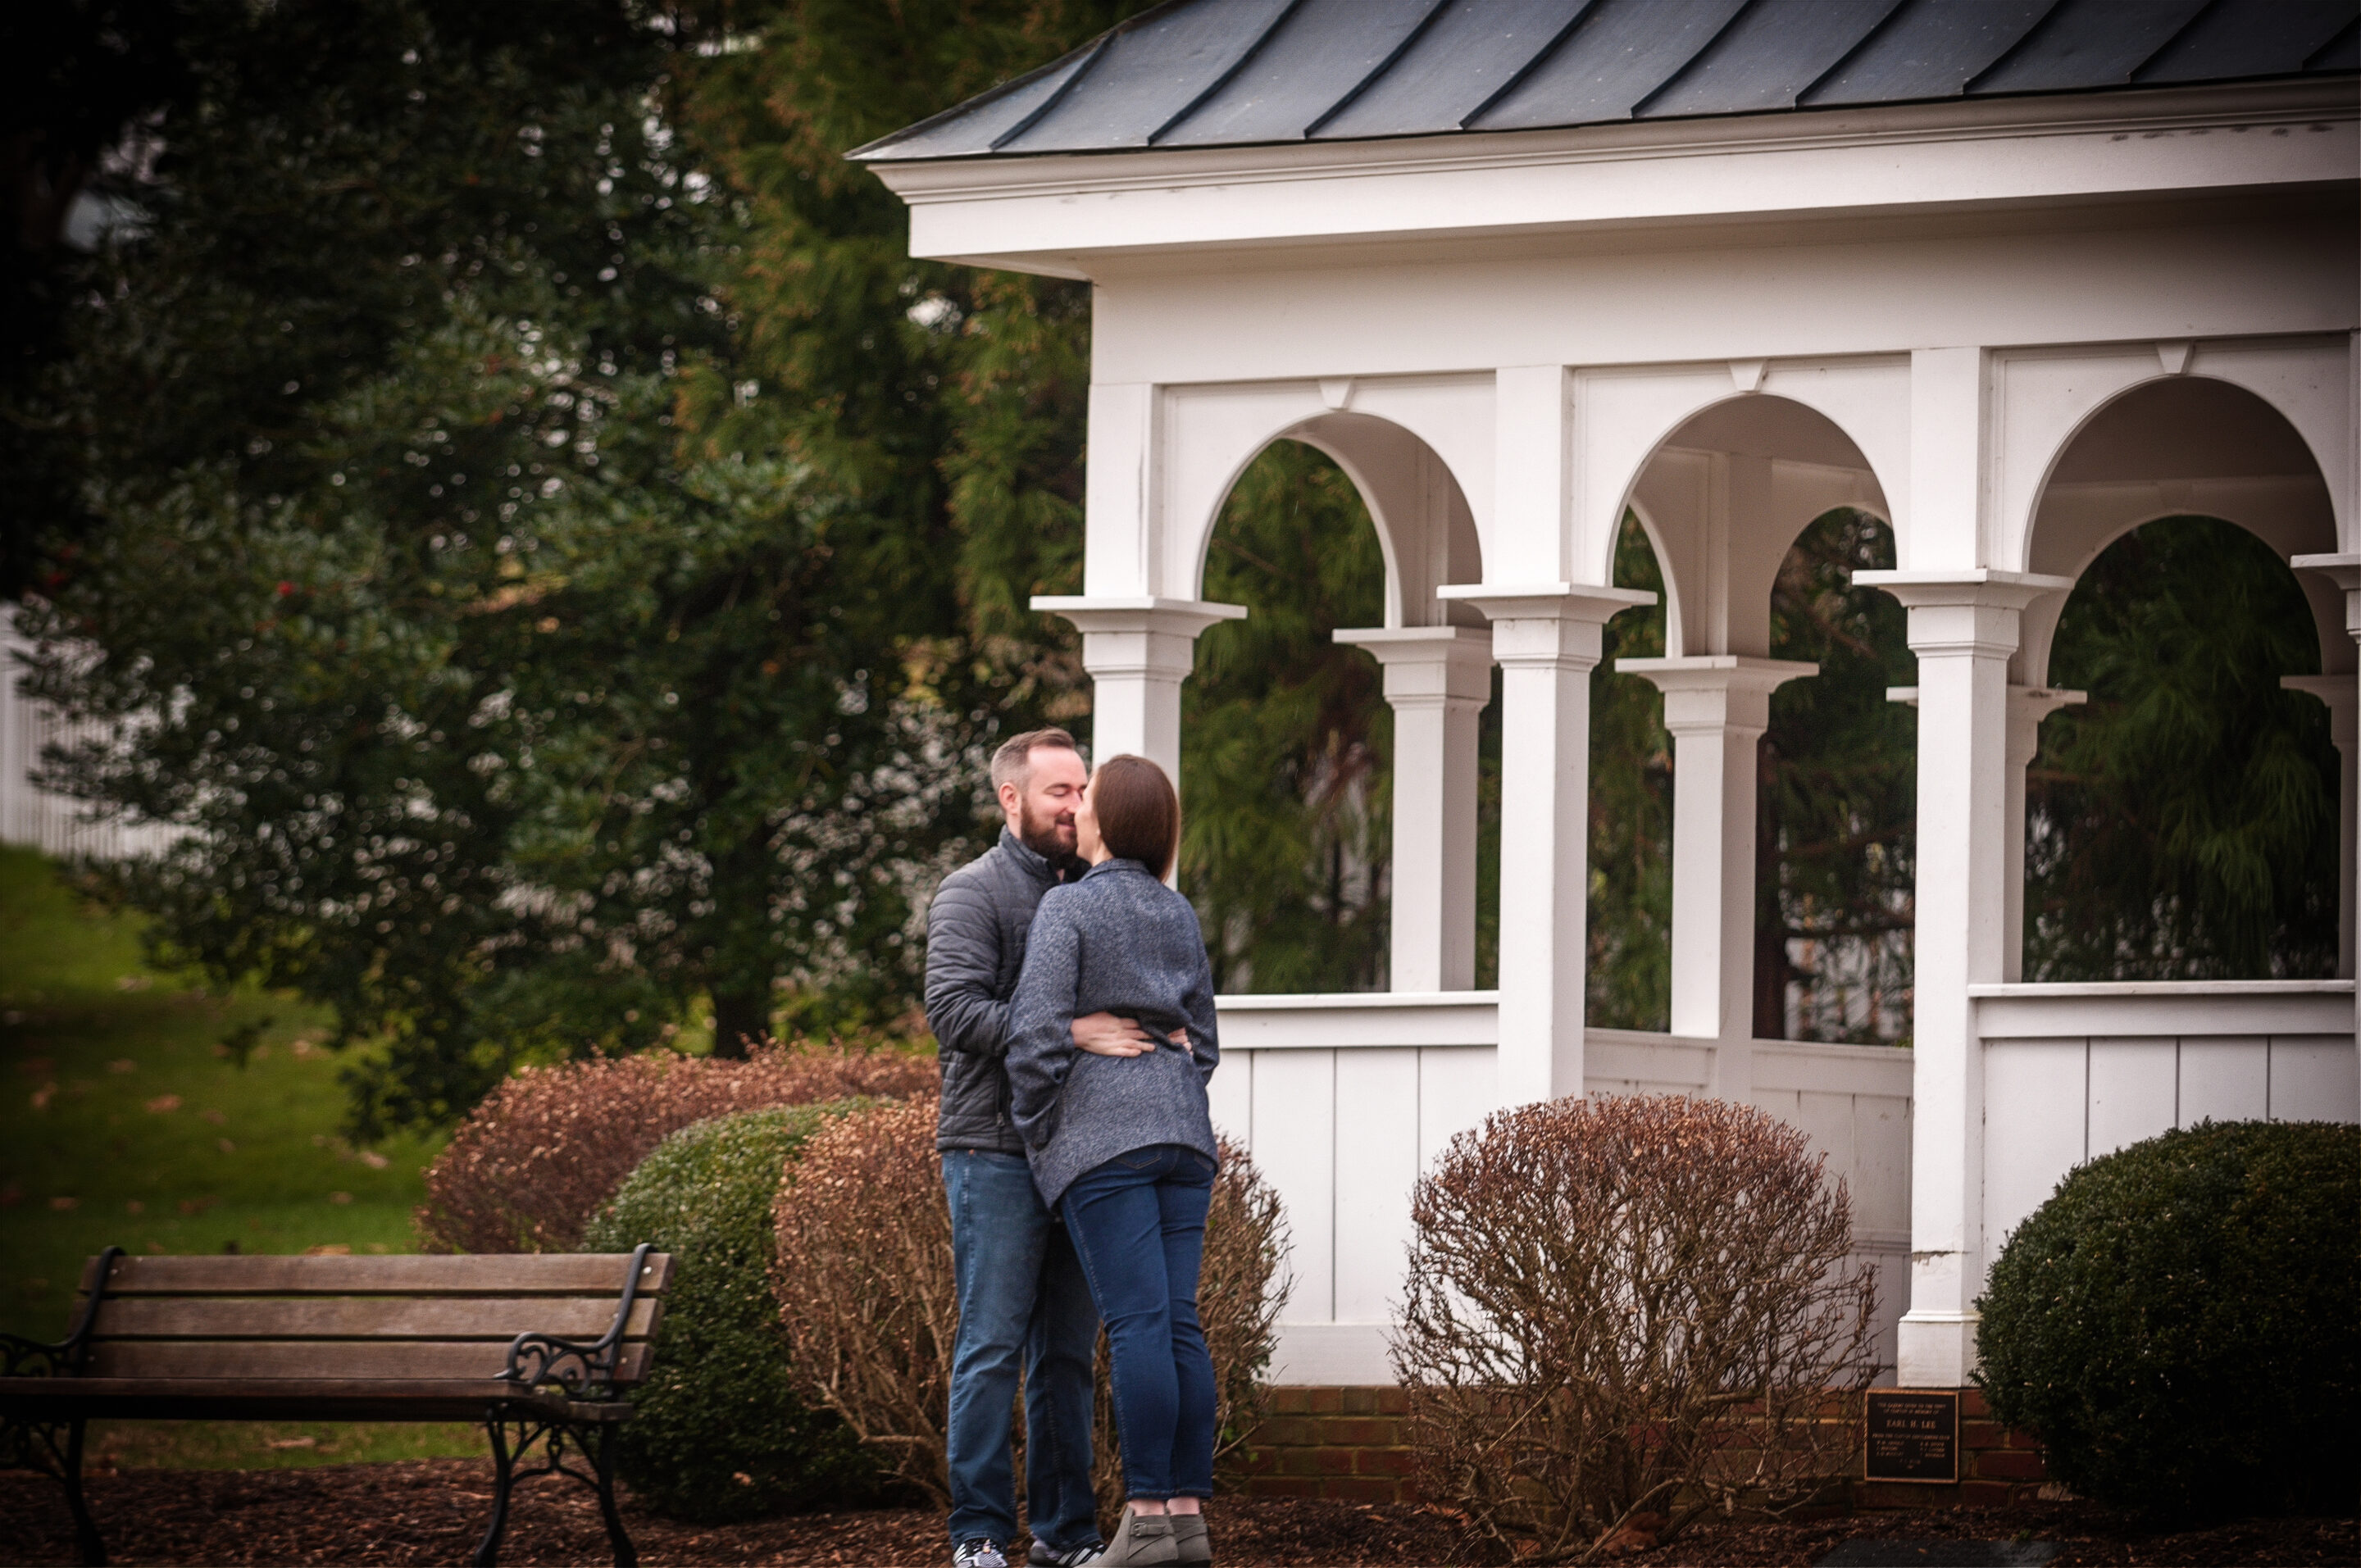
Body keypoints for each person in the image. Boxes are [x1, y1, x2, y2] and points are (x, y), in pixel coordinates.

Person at [926, 728, 1171, 1568]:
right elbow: (954, 1013)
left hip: (1079, 1152)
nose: (1075, 806)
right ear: (1011, 798)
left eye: (1082, 792)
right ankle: (980, 1534)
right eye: (1059, 792)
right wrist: (1072, 1031)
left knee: (1066, 1353)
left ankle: (1065, 1535)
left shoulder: (1098, 892)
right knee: (991, 1344)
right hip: (992, 1148)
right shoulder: (972, 893)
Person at [1007, 754, 1222, 1568]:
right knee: (1176, 1323)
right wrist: (1169, 1073)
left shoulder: (1068, 907)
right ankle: (1187, 1518)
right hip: (1183, 1138)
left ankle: (1144, 1521)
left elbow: (1033, 1038)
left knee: (1134, 1326)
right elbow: (1202, 1043)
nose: (1078, 810)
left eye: (1087, 799)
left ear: (1107, 820)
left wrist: (1041, 1131)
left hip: (1105, 1141)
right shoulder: (1179, 912)